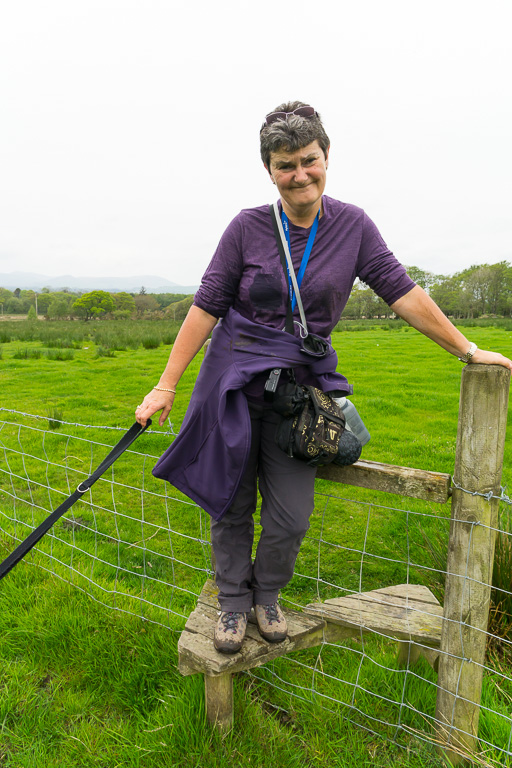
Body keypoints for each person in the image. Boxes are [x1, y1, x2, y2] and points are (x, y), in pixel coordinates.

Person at [135, 101, 512, 654]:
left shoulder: (352, 226)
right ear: (269, 170)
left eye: (309, 160)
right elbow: (207, 305)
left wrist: (467, 348)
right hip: (233, 385)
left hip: (299, 396)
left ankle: (268, 594)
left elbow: (401, 290)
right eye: (285, 165)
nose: (299, 174)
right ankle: (235, 604)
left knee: (290, 514)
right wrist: (166, 384)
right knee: (232, 502)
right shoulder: (246, 228)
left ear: (327, 156)